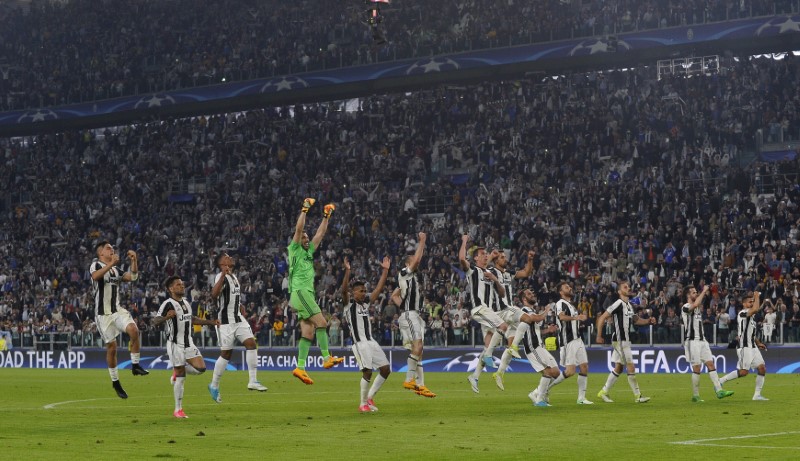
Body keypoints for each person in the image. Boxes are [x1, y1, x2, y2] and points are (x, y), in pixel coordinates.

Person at [288, 198, 343, 385]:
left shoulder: (309, 250)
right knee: (322, 322)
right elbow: (298, 229)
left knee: (308, 333)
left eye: (306, 237)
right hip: (300, 292)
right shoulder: (294, 249)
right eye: (303, 237)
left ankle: (300, 367)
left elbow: (320, 233)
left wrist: (326, 216)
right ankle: (327, 357)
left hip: (305, 294)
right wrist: (304, 209)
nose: (306, 238)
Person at [152, 275, 220, 418]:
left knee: (201, 368)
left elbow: (192, 319)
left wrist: (210, 322)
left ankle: (177, 370)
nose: (182, 286)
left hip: (188, 343)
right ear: (171, 289)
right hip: (175, 344)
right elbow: (155, 321)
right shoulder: (167, 304)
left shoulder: (186, 303)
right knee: (182, 377)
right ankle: (178, 409)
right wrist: (166, 318)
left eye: (182, 284)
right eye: (178, 285)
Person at [90, 241, 148, 399]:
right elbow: (95, 277)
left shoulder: (116, 269)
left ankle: (135, 365)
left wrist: (134, 261)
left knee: (134, 330)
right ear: (101, 253)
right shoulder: (95, 265)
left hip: (117, 310)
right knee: (112, 348)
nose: (112, 250)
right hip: (103, 314)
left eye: (112, 248)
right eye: (108, 248)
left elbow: (133, 277)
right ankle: (115, 382)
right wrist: (111, 264)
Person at [207, 252, 268, 404]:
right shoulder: (220, 276)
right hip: (226, 322)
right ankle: (214, 385)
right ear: (222, 263)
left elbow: (232, 295)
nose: (231, 258)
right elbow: (214, 294)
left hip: (238, 319)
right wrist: (222, 275)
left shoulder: (234, 277)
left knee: (251, 344)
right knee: (226, 354)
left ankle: (253, 380)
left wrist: (239, 304)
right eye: (227, 257)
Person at [459, 235, 509, 394]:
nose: (485, 255)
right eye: (482, 254)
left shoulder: (488, 272)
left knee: (488, 346)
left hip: (488, 312)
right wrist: (464, 241)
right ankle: (488, 356)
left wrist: (495, 279)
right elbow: (461, 259)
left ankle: (474, 376)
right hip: (479, 308)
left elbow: (501, 293)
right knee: (503, 325)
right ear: (475, 258)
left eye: (485, 253)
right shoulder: (472, 270)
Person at [342, 255, 392, 412]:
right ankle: (362, 403)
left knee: (385, 369)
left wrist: (385, 271)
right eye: (360, 291)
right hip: (360, 343)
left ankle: (370, 397)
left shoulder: (365, 304)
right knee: (368, 371)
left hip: (371, 342)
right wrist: (348, 272)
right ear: (353, 293)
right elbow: (343, 290)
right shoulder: (348, 305)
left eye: (364, 291)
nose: (364, 293)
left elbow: (378, 290)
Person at [391, 232, 435, 398]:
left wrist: (401, 300)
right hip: (410, 315)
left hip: (413, 314)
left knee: (418, 351)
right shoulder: (404, 272)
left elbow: (393, 295)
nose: (418, 263)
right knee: (418, 347)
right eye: (414, 261)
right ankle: (409, 379)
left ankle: (421, 385)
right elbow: (417, 259)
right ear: (407, 264)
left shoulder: (409, 279)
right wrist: (422, 241)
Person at [595, 281, 653, 403]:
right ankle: (638, 396)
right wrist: (598, 335)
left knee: (619, 368)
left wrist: (648, 321)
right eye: (625, 287)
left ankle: (603, 392)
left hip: (625, 340)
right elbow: (602, 317)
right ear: (619, 291)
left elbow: (636, 320)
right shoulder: (618, 303)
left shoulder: (629, 305)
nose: (629, 288)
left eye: (629, 286)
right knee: (631, 366)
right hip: (619, 340)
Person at [491, 249, 536, 390]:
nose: (505, 259)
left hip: (509, 312)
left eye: (505, 257)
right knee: (527, 319)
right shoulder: (491, 271)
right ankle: (515, 346)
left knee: (510, 347)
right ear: (496, 260)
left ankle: (499, 373)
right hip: (502, 310)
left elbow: (526, 273)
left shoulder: (509, 273)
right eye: (502, 257)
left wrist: (529, 259)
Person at [681, 284, 734, 402]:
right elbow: (694, 304)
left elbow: (696, 305)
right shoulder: (685, 307)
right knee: (697, 368)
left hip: (702, 341)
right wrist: (704, 291)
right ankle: (696, 395)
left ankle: (719, 390)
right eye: (694, 292)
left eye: (696, 292)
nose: (696, 294)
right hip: (692, 341)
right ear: (688, 295)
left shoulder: (697, 309)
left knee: (711, 364)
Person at [719, 291, 769, 400]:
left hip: (753, 347)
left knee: (762, 368)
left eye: (752, 301)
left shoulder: (751, 316)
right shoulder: (742, 313)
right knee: (744, 372)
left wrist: (759, 343)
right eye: (749, 302)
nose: (751, 303)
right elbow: (756, 309)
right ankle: (720, 381)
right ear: (744, 304)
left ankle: (757, 395)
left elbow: (751, 332)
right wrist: (756, 296)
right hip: (744, 347)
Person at [550, 281, 594, 404]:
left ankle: (581, 398)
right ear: (560, 292)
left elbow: (572, 321)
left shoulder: (571, 305)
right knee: (570, 371)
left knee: (584, 367)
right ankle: (542, 390)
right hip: (568, 340)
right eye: (566, 287)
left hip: (577, 339)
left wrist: (580, 320)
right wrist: (577, 317)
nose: (569, 288)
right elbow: (561, 317)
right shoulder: (560, 303)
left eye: (569, 286)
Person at [515, 289, 560, 407]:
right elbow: (537, 318)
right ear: (524, 299)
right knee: (547, 372)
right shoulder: (524, 311)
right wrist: (546, 311)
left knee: (555, 372)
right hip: (532, 346)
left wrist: (548, 330)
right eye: (529, 294)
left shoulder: (532, 310)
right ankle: (540, 399)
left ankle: (535, 393)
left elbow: (536, 330)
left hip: (540, 346)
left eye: (532, 293)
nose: (532, 294)